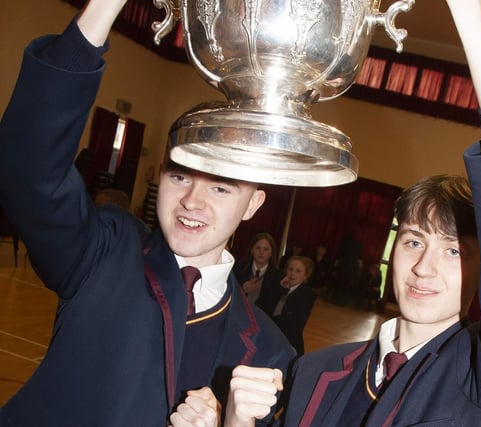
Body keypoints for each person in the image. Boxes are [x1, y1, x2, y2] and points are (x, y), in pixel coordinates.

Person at [226, 0, 481, 425]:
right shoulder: (314, 372)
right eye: (413, 241)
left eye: (455, 251)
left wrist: (471, 14)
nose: (424, 268)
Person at [0, 1, 295, 426]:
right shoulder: (106, 250)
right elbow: (30, 168)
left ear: (253, 204)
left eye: (220, 186)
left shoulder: (268, 351)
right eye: (179, 178)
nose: (192, 201)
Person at [260, 256, 316, 356]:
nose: (292, 273)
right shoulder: (278, 286)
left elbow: (296, 324)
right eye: (290, 269)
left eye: (298, 271)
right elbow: (264, 308)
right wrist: (279, 288)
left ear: (306, 276)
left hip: (288, 341)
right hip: (267, 337)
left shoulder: (307, 294)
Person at [233, 232, 285, 305]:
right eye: (258, 248)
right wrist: (242, 289)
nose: (261, 252)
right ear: (252, 250)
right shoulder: (237, 268)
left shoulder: (279, 277)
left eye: (266, 249)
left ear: (271, 253)